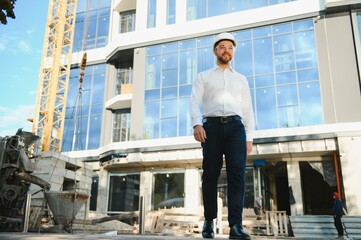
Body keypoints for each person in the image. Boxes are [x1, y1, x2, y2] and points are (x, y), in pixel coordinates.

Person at [190, 32, 254, 239]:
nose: (226, 50)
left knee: (237, 175)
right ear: (215, 51)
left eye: (230, 47)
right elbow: (194, 102)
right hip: (211, 127)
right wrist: (197, 124)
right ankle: (209, 220)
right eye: (222, 47)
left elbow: (247, 108)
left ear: (233, 51)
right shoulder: (203, 76)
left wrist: (249, 137)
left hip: (236, 127)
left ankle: (236, 226)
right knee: (210, 174)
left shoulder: (241, 79)